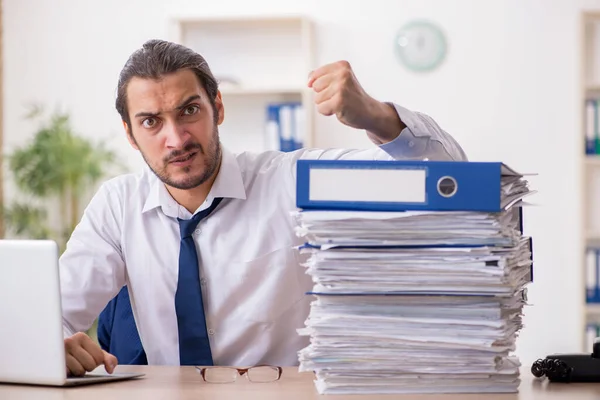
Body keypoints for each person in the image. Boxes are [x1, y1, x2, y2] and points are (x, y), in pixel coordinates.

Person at [59, 38, 468, 377]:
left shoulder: (290, 182)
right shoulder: (117, 206)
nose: (176, 138)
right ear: (130, 134)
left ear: (217, 107)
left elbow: (453, 184)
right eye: (151, 122)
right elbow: (54, 312)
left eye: (189, 110)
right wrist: (53, 344)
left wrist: (376, 116)